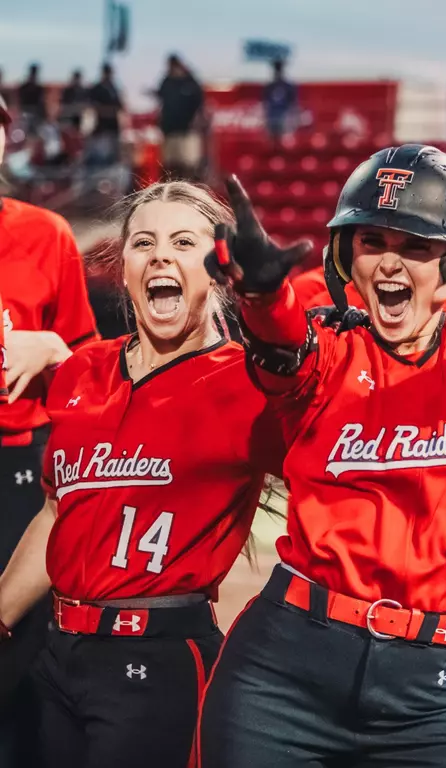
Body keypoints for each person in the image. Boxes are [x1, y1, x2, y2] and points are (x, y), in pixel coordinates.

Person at [199, 145, 446, 767]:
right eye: (371, 241)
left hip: (427, 688)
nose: (390, 262)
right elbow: (285, 348)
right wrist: (261, 293)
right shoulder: (332, 350)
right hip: (283, 672)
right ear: (344, 257)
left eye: (417, 246)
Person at [0, 180, 284, 768]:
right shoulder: (83, 372)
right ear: (123, 266)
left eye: (184, 241)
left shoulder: (249, 383)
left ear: (220, 266)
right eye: (143, 242)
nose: (160, 255)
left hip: (158, 660)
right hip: (58, 657)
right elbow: (58, 512)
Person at [0, 91, 99, 768]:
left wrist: (55, 354)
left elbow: (91, 370)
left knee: (18, 657)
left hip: (17, 466)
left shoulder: (44, 234)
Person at [155, 54, 205, 180]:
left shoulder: (190, 82)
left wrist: (196, 121)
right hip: (170, 129)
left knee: (188, 163)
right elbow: (160, 100)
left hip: (187, 131)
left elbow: (200, 105)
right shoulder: (167, 81)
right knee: (171, 163)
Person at [87, 63, 123, 166]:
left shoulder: (114, 88)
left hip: (113, 127)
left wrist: (112, 110)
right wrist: (108, 111)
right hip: (101, 127)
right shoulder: (97, 88)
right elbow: (95, 107)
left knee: (113, 157)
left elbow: (119, 106)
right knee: (100, 158)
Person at [263, 59, 297, 141]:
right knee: (271, 141)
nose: (277, 72)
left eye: (279, 69)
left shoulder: (288, 86)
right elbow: (265, 104)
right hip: (271, 118)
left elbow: (293, 104)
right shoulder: (269, 86)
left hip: (284, 118)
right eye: (276, 69)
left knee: (284, 140)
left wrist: (291, 120)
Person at [59, 70, 89, 134]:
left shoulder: (83, 91)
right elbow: (63, 104)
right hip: (68, 118)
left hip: (79, 118)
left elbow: (86, 104)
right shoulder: (68, 91)